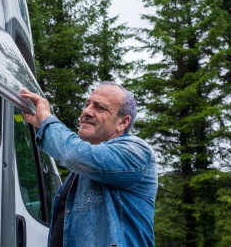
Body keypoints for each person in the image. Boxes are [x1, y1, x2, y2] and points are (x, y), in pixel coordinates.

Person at [21, 82, 158, 247]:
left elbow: (72, 154)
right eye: (87, 105)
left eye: (99, 108)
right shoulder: (82, 169)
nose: (86, 111)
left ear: (123, 123)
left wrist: (46, 120)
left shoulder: (136, 151)